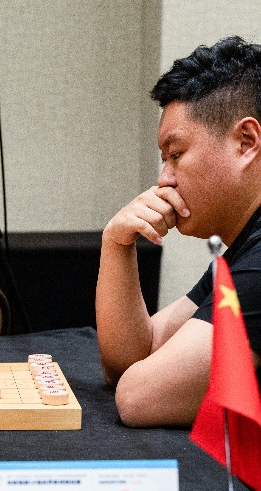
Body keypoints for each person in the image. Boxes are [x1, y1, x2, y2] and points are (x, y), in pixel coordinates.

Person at [96, 36, 261, 428]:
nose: (163, 180)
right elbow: (136, 355)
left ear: (246, 142)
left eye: (176, 154)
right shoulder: (240, 248)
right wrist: (116, 244)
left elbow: (139, 398)